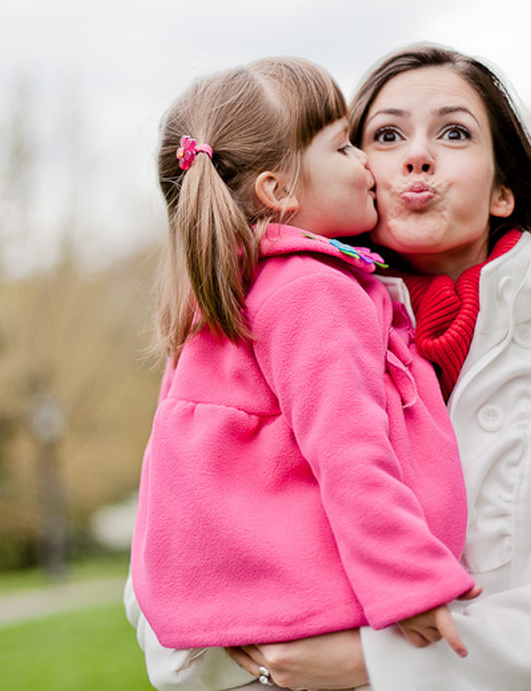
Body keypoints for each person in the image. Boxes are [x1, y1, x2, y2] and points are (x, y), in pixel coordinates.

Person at [126, 45, 531, 691]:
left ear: (503, 189)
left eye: (454, 133)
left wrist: (378, 661)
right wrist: (265, 648)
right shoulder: (271, 317)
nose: (416, 156)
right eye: (385, 135)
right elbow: (173, 546)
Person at [131, 56, 481, 673]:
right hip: (327, 625)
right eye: (343, 145)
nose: (366, 163)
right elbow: (348, 448)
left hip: (264, 623)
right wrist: (411, 581)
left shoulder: (228, 290)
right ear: (279, 191)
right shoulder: (312, 291)